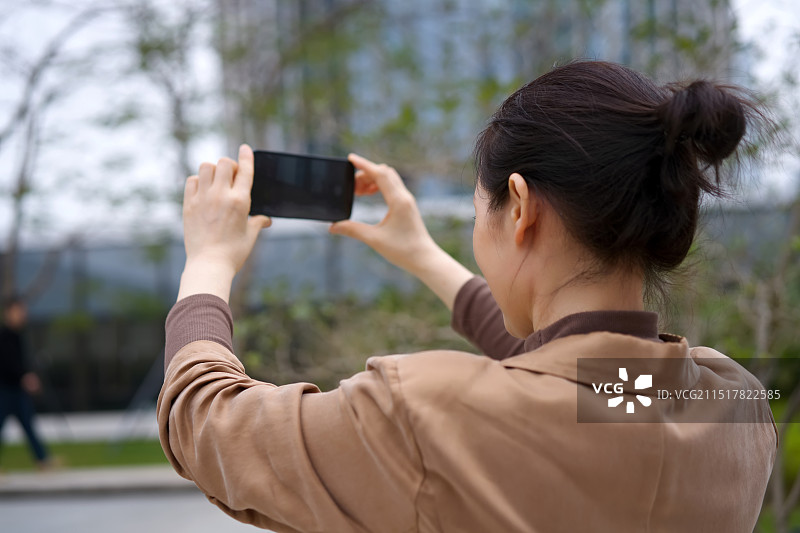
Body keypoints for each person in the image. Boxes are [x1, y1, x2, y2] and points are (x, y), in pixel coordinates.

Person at [157, 60, 777, 532]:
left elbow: (208, 420)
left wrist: (209, 261)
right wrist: (422, 255)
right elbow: (575, 380)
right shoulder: (735, 405)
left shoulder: (423, 414)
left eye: (481, 210)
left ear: (521, 207)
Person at [0, 296, 51, 470]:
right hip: (5, 389)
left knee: (29, 425)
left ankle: (42, 460)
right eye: (18, 311)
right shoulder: (5, 336)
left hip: (17, 389)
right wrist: (24, 377)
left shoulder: (19, 335)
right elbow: (8, 363)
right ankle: (42, 459)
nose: (22, 314)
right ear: (8, 312)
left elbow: (21, 362)